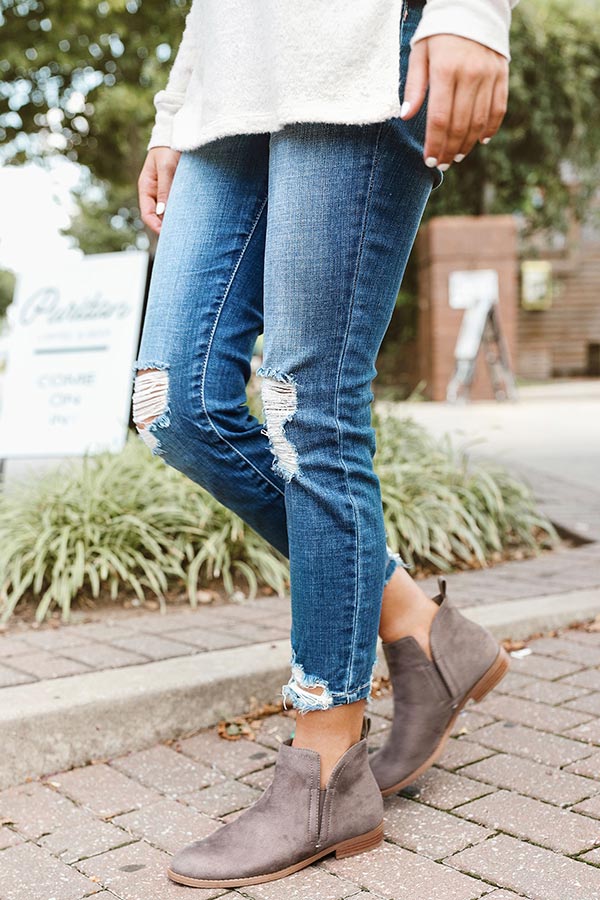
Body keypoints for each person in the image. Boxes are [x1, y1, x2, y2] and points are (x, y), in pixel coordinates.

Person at [133, 0, 517, 887]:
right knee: (174, 407)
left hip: (357, 48)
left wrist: (470, 10)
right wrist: (173, 110)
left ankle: (326, 768)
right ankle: (420, 627)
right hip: (227, 85)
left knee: (308, 402)